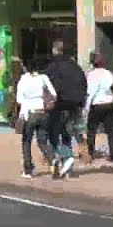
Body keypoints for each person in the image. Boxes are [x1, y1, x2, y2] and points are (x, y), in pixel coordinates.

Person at [44, 41, 86, 178]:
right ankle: (67, 168)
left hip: (59, 105)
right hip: (74, 105)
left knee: (53, 135)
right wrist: (80, 103)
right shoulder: (75, 67)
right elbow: (83, 84)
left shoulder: (52, 67)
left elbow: (48, 86)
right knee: (67, 134)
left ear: (54, 50)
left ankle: (64, 157)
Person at [15, 58, 56, 178]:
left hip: (30, 113)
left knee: (26, 141)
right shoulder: (44, 78)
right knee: (42, 141)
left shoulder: (23, 79)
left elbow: (19, 99)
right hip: (43, 112)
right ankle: (52, 158)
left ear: (26, 68)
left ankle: (28, 170)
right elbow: (53, 94)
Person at [84, 52, 113, 162]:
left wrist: (86, 107)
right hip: (109, 102)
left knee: (91, 130)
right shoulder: (108, 73)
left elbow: (90, 92)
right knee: (110, 130)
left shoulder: (91, 75)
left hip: (96, 104)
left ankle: (90, 152)